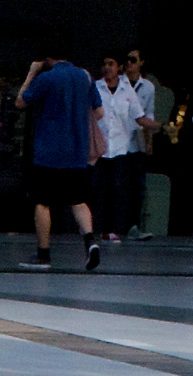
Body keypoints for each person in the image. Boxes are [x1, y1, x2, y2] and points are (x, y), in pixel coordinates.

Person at [18, 51, 102, 270]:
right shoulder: (85, 77)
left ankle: (43, 254)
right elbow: (99, 111)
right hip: (77, 151)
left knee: (42, 201)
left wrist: (32, 72)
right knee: (78, 201)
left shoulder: (47, 78)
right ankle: (90, 241)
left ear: (47, 58)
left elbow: (21, 101)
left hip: (49, 150)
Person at [94, 54, 140, 241]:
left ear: (119, 67)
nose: (107, 68)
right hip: (99, 147)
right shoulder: (96, 87)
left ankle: (112, 229)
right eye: (104, 64)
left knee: (117, 190)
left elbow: (138, 116)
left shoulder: (127, 90)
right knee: (96, 189)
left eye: (111, 64)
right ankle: (91, 227)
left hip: (119, 147)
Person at [124, 50, 161, 238]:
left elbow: (148, 114)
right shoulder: (118, 83)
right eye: (127, 60)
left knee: (137, 186)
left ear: (141, 63)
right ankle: (112, 227)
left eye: (133, 60)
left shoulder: (147, 87)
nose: (129, 63)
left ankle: (133, 226)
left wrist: (149, 141)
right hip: (118, 143)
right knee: (116, 184)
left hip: (137, 141)